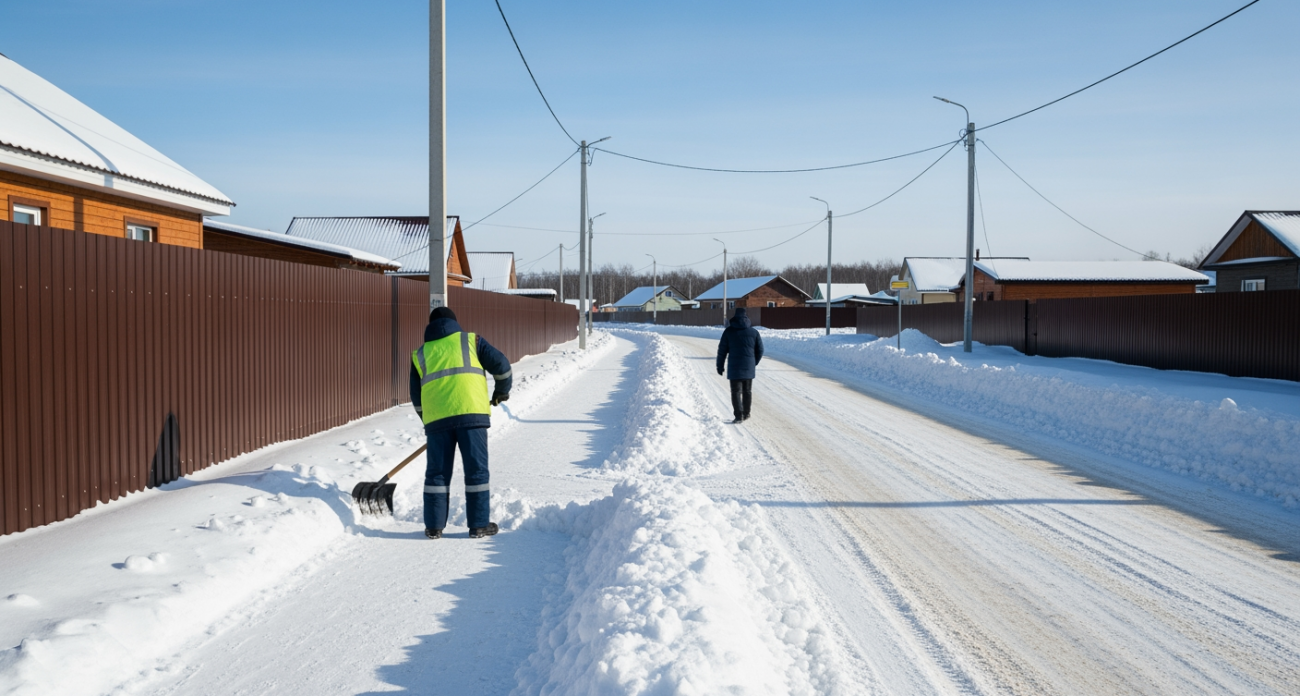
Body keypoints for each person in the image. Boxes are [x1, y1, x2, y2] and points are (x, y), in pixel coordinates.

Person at [409, 306, 512, 539]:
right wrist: (501, 392)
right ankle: (478, 525)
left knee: (436, 474)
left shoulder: (420, 354)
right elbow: (503, 367)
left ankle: (434, 527)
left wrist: (430, 421)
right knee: (476, 472)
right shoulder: (471, 341)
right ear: (454, 323)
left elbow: (416, 397)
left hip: (437, 422)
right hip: (472, 416)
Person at [716, 307, 764, 423]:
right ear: (746, 316)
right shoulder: (754, 332)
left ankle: (738, 416)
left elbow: (722, 351)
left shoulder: (728, 332)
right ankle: (746, 413)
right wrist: (754, 362)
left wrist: (720, 366)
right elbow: (760, 350)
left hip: (734, 367)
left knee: (736, 392)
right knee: (747, 391)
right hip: (748, 367)